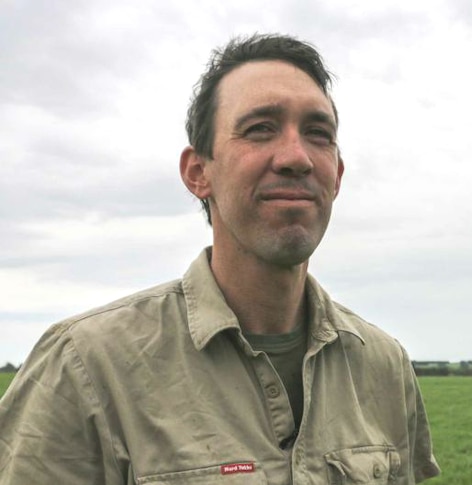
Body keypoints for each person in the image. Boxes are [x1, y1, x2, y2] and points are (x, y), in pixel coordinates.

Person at [0, 34, 440, 484]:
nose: (296, 157)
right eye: (259, 129)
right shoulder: (86, 365)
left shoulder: (384, 364)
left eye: (318, 134)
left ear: (337, 177)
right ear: (198, 173)